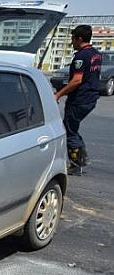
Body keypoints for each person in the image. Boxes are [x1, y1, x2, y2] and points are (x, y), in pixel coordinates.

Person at [55, 25, 102, 175]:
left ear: (79, 39)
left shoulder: (81, 56)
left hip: (80, 99)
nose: (71, 42)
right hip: (91, 97)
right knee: (72, 127)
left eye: (73, 38)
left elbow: (76, 80)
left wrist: (59, 94)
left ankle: (75, 164)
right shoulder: (96, 54)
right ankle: (81, 158)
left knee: (69, 129)